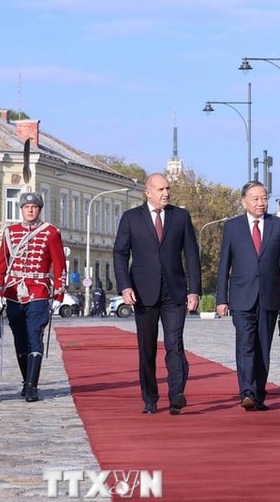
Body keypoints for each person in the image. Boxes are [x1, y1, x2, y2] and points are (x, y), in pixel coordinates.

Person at [113, 173, 201, 415]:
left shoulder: (180, 217)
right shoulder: (131, 218)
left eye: (168, 188)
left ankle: (176, 394)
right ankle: (150, 397)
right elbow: (120, 254)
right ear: (148, 193)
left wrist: (194, 290)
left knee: (175, 344)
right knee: (147, 347)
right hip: (143, 293)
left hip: (174, 292)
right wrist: (125, 286)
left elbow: (191, 255)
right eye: (161, 189)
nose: (166, 193)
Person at [216, 181, 280, 411]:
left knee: (263, 346)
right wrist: (221, 299)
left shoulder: (278, 225)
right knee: (245, 344)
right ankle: (247, 392)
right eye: (255, 199)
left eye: (264, 198)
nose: (261, 203)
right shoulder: (232, 227)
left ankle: (259, 394)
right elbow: (224, 264)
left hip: (269, 296)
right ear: (244, 202)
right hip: (241, 296)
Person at [0, 192, 67, 402]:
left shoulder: (50, 232)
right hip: (13, 292)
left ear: (39, 209)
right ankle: (26, 381)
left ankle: (33, 386)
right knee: (20, 339)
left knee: (35, 336)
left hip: (39, 291)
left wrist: (58, 294)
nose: (30, 210)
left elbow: (59, 265)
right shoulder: (10, 233)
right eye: (27, 207)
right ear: (22, 209)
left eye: (34, 207)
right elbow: (1, 264)